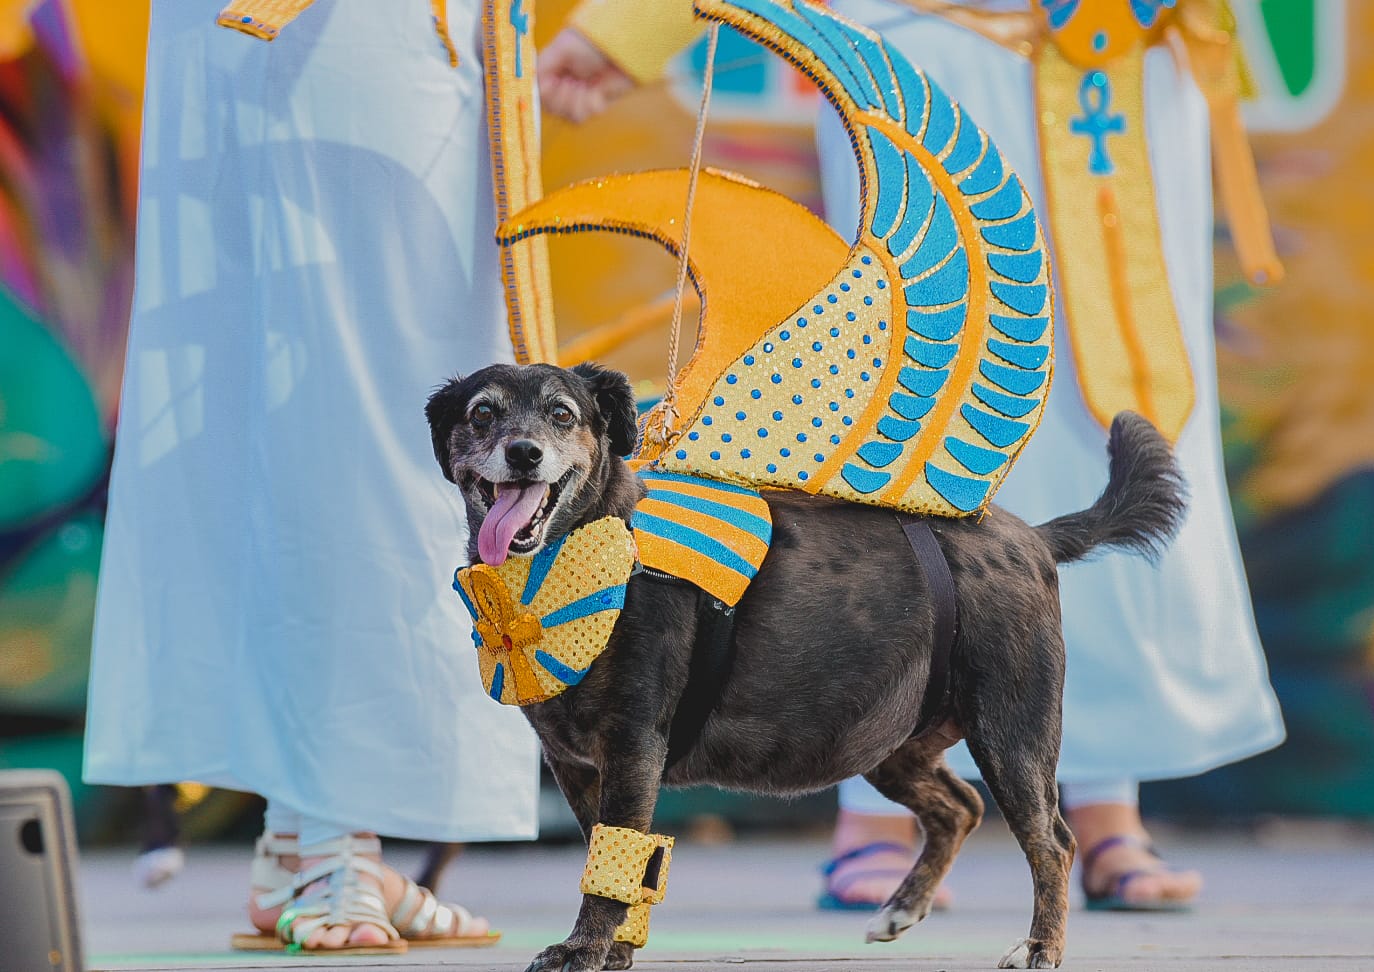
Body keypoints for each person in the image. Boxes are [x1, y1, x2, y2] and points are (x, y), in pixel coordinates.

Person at [536, 0, 1284, 913]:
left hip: (1115, 61)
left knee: (1112, 399)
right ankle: (875, 811)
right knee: (906, 416)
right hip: (928, 52)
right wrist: (634, 29)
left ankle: (1106, 804)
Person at [83, 0, 541, 952]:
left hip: (414, 42)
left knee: (356, 406)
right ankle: (332, 822)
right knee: (318, 411)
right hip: (308, 38)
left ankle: (303, 832)